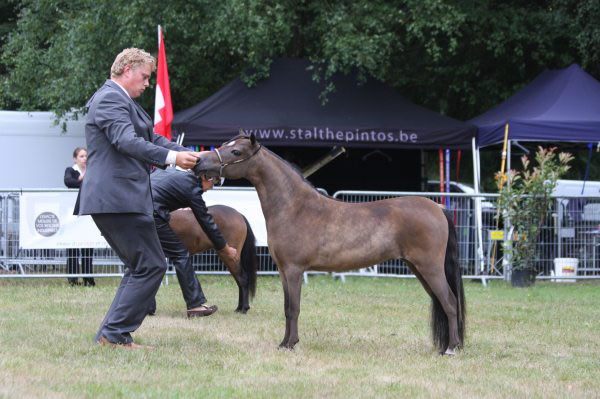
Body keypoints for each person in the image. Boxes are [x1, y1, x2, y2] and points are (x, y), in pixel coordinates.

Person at [76, 48, 200, 349]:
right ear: (127, 69)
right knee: (151, 265)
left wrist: (192, 155)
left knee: (143, 265)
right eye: (144, 77)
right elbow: (126, 141)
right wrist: (173, 157)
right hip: (117, 198)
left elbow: (150, 138)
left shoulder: (123, 101)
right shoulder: (109, 98)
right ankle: (114, 335)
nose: (147, 83)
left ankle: (111, 334)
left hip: (120, 198)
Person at [148, 168, 239, 318]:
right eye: (214, 183)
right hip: (152, 214)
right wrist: (226, 249)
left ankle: (144, 305)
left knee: (149, 260)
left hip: (134, 211)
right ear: (205, 178)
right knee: (181, 255)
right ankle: (195, 305)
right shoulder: (191, 187)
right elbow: (206, 222)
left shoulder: (171, 175)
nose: (211, 188)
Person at [64, 147, 95, 287]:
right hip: (72, 214)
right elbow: (69, 182)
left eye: (86, 156)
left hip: (87, 213)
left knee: (88, 245)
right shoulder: (70, 170)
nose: (85, 158)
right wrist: (82, 180)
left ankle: (88, 277)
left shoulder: (93, 171)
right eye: (82, 156)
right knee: (72, 245)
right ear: (75, 158)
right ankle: (72, 278)